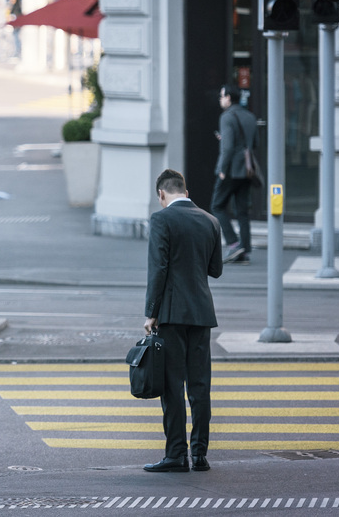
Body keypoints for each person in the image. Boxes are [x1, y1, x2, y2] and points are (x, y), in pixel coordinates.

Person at [143, 168, 223, 473]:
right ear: (186, 193)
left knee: (172, 387)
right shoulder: (211, 221)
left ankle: (176, 454)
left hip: (172, 315)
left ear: (162, 194)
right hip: (202, 314)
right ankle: (200, 455)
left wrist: (151, 313)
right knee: (200, 387)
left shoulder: (161, 219)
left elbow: (158, 269)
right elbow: (215, 270)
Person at [212, 84, 257, 264]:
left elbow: (228, 148)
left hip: (230, 169)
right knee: (242, 211)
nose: (220, 99)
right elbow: (255, 143)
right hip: (247, 169)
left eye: (222, 96)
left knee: (217, 206)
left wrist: (222, 169)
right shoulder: (251, 116)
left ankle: (233, 243)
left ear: (229, 98)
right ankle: (244, 251)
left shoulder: (227, 117)